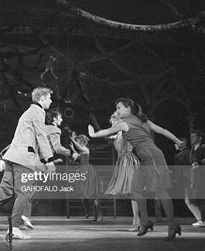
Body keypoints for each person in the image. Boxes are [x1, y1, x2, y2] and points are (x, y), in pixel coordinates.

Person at [88, 98, 184, 240]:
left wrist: (93, 134)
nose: (117, 111)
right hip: (145, 159)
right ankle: (145, 222)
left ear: (129, 108)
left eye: (119, 108)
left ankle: (172, 225)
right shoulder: (143, 121)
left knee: (161, 191)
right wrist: (177, 141)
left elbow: (107, 131)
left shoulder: (125, 124)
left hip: (153, 157)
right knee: (135, 189)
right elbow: (162, 130)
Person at [0, 87, 55, 240]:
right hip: (23, 159)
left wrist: (3, 157)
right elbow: (41, 136)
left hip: (12, 157)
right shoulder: (38, 112)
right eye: (49, 98)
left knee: (6, 190)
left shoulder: (27, 113)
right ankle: (14, 228)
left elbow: (18, 139)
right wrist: (49, 160)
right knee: (24, 193)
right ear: (41, 99)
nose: (51, 101)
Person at [104, 112, 140, 231]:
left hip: (128, 161)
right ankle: (138, 221)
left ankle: (138, 222)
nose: (113, 125)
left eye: (114, 123)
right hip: (123, 161)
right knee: (132, 193)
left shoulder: (125, 131)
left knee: (134, 192)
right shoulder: (119, 133)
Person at [70, 134, 104, 221]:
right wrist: (72, 148)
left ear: (81, 141)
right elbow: (78, 155)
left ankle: (98, 215)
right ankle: (89, 212)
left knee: (93, 195)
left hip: (87, 171)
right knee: (84, 194)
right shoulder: (82, 151)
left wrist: (73, 140)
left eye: (78, 141)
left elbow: (81, 150)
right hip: (83, 170)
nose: (77, 142)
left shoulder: (85, 149)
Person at [189, 130, 205, 227]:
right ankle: (202, 219)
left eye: (194, 136)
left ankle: (203, 220)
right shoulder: (192, 149)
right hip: (196, 176)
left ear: (200, 138)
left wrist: (200, 162)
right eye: (191, 137)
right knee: (198, 199)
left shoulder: (203, 147)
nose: (192, 139)